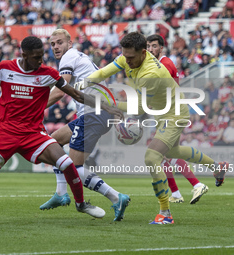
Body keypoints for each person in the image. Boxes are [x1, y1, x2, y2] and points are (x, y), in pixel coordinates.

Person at [0, 36, 123, 226]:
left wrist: (107, 108)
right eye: (36, 57)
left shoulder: (48, 73)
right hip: (6, 133)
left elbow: (76, 93)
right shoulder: (5, 68)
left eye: (42, 56)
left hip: (33, 134)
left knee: (66, 163)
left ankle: (81, 203)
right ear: (24, 55)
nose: (40, 61)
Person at [81, 32, 229, 224]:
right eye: (125, 56)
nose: (127, 61)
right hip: (164, 112)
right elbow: (102, 73)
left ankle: (165, 214)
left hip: (174, 114)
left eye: (131, 58)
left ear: (143, 53)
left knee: (151, 157)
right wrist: (83, 82)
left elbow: (139, 108)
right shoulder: (129, 56)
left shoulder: (150, 73)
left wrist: (105, 101)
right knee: (173, 151)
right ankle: (216, 168)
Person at [39, 29, 130, 222]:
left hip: (94, 114)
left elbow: (59, 91)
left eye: (60, 42)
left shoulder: (68, 57)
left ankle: (116, 197)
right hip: (96, 112)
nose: (56, 46)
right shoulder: (77, 57)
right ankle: (60, 194)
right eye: (53, 43)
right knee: (52, 143)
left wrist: (32, 107)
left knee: (75, 168)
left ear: (69, 44)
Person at [146, 34, 209, 204]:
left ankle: (197, 184)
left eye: (154, 46)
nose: (150, 49)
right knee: (168, 154)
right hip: (167, 113)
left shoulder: (165, 64)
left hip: (171, 114)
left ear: (161, 48)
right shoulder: (158, 64)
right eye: (148, 46)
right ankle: (177, 193)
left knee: (161, 154)